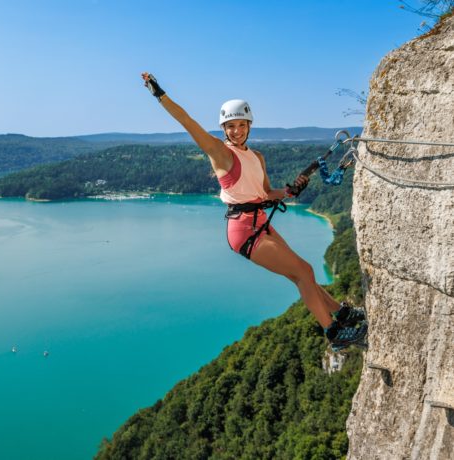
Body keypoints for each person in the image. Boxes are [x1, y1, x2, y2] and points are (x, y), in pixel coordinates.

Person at [141, 73, 367, 351]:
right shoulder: (221, 153)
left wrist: (289, 191)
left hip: (260, 222)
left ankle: (341, 313)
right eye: (230, 126)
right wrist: (159, 93)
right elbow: (187, 121)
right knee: (304, 271)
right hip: (243, 231)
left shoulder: (257, 157)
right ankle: (333, 333)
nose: (235, 131)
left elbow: (266, 193)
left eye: (240, 125)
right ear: (223, 129)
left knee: (300, 275)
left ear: (249, 126)